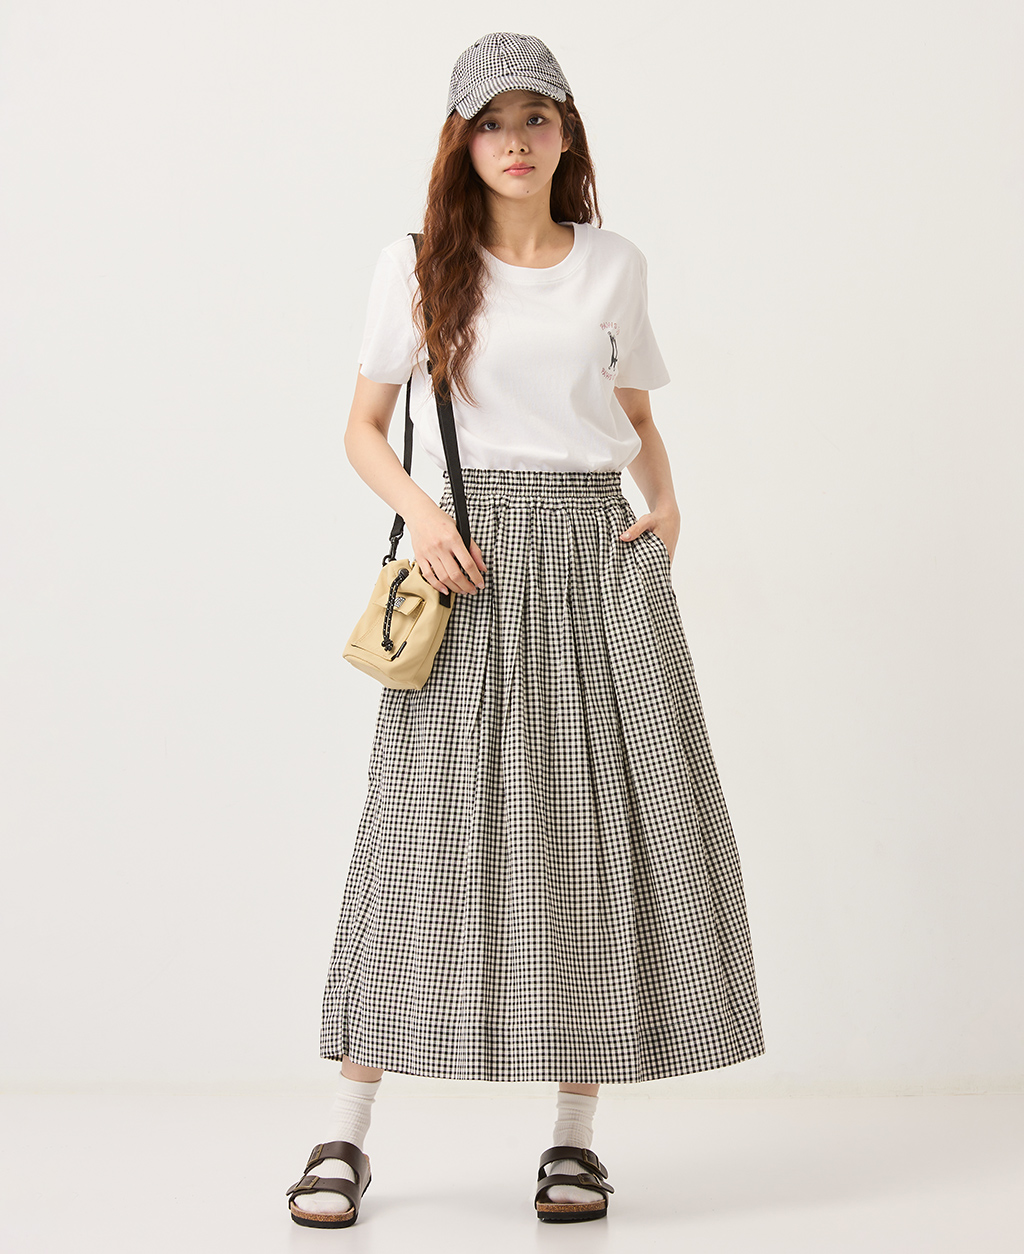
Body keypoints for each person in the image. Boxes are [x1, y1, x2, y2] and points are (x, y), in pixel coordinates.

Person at [285, 31, 766, 1229]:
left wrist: (667, 505)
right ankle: (345, 1131)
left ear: (565, 132)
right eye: (491, 122)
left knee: (595, 828)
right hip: (469, 558)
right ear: (462, 142)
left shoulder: (613, 264)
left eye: (534, 118)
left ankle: (573, 1139)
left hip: (596, 553)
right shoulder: (414, 265)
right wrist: (422, 514)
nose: (514, 140)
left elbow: (633, 411)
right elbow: (360, 427)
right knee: (418, 836)